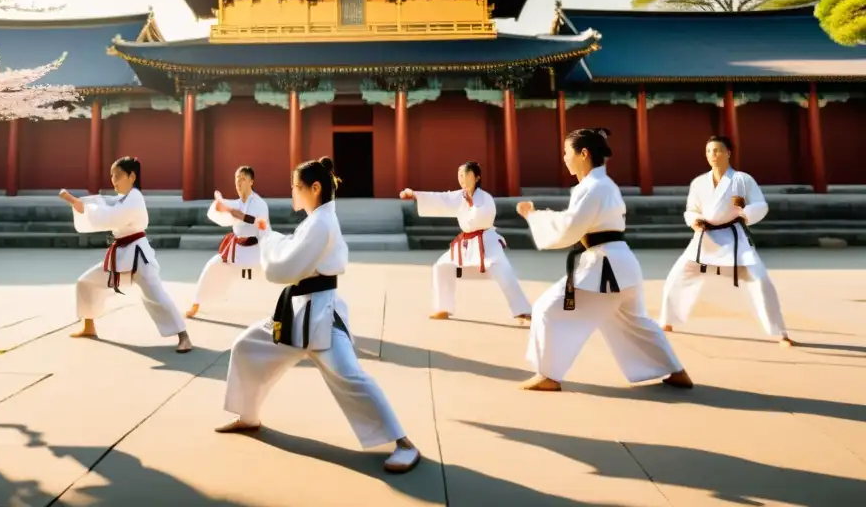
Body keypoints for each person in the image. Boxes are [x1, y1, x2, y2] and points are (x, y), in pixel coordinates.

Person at [215, 156, 421, 474]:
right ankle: (248, 415)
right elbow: (293, 248)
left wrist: (267, 243)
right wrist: (267, 234)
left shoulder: (322, 223)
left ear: (314, 188)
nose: (292, 193)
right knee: (246, 346)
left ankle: (404, 444)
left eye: (296, 187)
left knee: (350, 375)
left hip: (319, 314)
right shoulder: (316, 219)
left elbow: (285, 268)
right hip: (299, 309)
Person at [515, 128, 693, 392]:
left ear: (583, 154)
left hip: (605, 265)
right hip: (619, 263)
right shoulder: (597, 186)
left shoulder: (595, 187)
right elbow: (574, 223)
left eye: (567, 152)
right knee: (634, 321)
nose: (564, 158)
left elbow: (571, 226)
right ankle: (675, 371)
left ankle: (548, 375)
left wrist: (534, 216)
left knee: (546, 309)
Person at [659, 135, 794, 346]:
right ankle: (667, 320)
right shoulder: (699, 182)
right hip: (704, 238)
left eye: (717, 150)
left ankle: (780, 333)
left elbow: (761, 205)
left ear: (728, 153)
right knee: (677, 277)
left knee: (760, 281)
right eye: (708, 151)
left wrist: (745, 214)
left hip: (734, 238)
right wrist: (695, 220)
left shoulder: (742, 179)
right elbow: (691, 209)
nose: (712, 155)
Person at [58, 156, 192, 353]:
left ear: (132, 176)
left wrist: (76, 202)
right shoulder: (123, 199)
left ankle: (184, 337)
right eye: (112, 175)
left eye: (118, 175)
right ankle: (88, 326)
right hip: (121, 254)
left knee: (155, 295)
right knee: (86, 282)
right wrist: (79, 204)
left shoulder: (135, 198)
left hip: (138, 257)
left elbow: (110, 215)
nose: (113, 180)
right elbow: (104, 204)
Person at [400, 162, 531, 322]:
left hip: (486, 241)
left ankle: (522, 310)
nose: (462, 178)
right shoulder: (459, 196)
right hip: (466, 242)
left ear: (477, 177)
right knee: (442, 266)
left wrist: (469, 207)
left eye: (466, 174)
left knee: (504, 271)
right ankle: (443, 308)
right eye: (460, 174)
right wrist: (415, 195)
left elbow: (482, 216)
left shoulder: (485, 198)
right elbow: (441, 198)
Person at [186, 166, 270, 318]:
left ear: (251, 181)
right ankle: (196, 303)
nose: (239, 182)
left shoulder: (260, 204)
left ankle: (285, 310)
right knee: (212, 267)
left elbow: (250, 220)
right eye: (237, 178)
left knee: (273, 278)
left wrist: (226, 208)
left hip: (256, 250)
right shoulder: (236, 204)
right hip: (236, 250)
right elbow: (225, 213)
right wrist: (219, 206)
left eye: (243, 178)